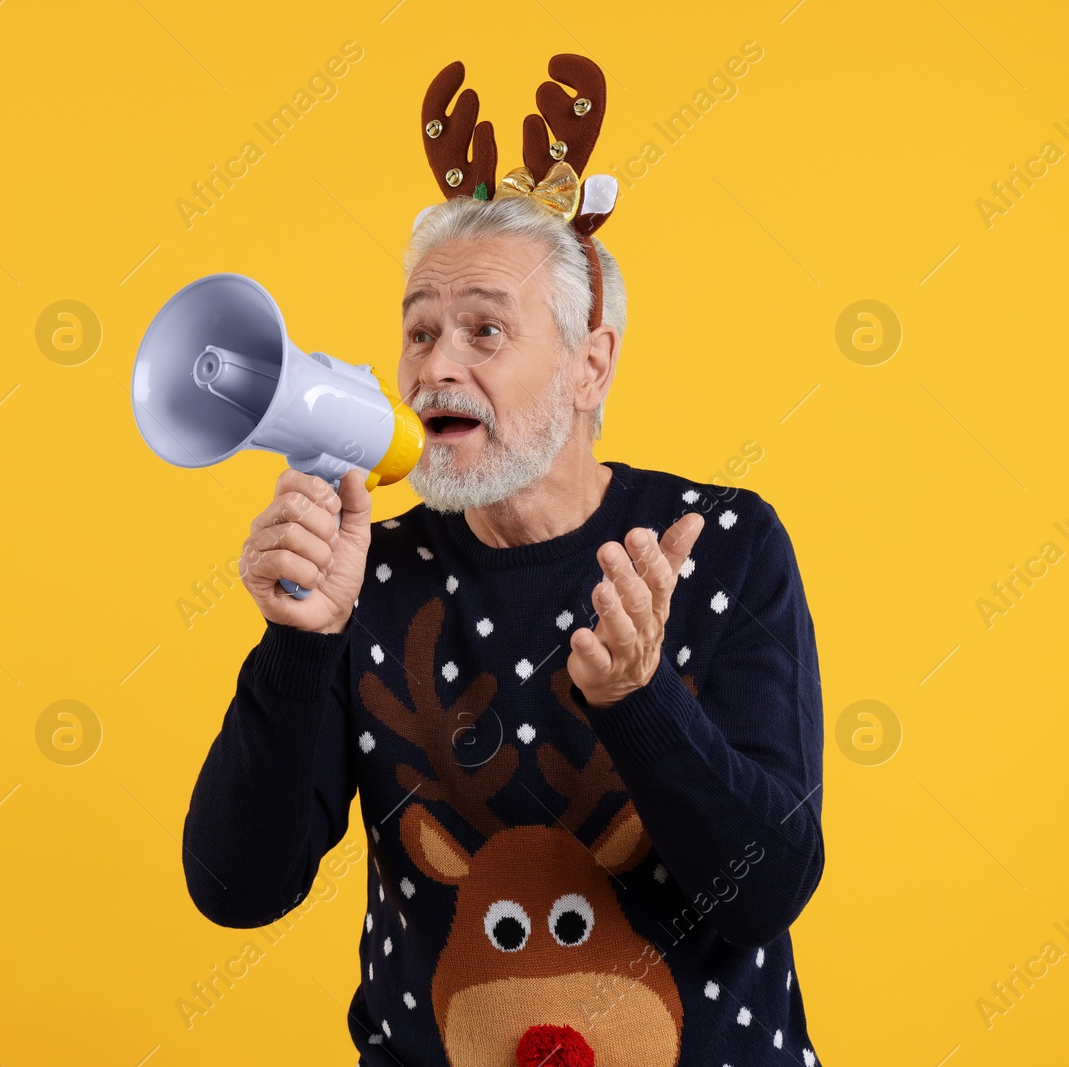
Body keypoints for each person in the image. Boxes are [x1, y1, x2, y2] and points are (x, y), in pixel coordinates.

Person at [180, 56, 825, 1067]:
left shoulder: (719, 543)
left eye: (485, 328)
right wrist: (297, 644)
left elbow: (768, 885)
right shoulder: (370, 574)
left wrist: (642, 697)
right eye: (420, 330)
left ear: (588, 364)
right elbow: (237, 888)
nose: (437, 363)